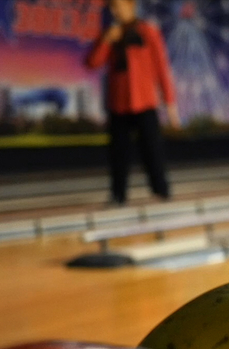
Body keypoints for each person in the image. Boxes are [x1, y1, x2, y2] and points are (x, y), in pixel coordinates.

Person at [85, 0, 179, 205]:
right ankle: (118, 195)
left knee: (152, 149)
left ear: (130, 6)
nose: (114, 10)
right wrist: (107, 40)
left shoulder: (148, 32)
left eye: (117, 5)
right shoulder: (110, 34)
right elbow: (92, 63)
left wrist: (170, 103)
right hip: (118, 103)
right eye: (111, 7)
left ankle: (162, 191)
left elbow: (162, 69)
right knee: (118, 152)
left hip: (144, 101)